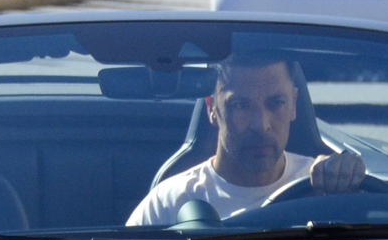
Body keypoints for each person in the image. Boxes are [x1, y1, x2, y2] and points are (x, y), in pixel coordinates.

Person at [127, 54, 366, 226]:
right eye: (241, 105)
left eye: (276, 103)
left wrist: (352, 191)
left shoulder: (327, 191)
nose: (261, 125)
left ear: (294, 104)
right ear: (212, 109)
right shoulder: (169, 204)